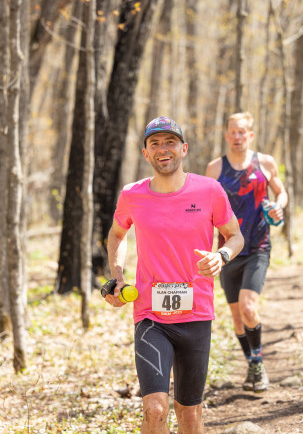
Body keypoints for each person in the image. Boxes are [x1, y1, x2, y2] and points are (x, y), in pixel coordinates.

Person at [105, 116, 244, 434]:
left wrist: (220, 256)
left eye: (169, 142)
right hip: (151, 317)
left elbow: (235, 236)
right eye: (154, 143)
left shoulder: (209, 190)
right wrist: (118, 275)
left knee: (189, 413)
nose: (162, 149)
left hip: (196, 314)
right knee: (155, 409)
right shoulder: (132, 195)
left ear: (183, 149)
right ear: (146, 154)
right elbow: (117, 234)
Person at [205, 112, 288, 393]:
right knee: (237, 318)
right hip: (227, 250)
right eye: (233, 132)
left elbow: (281, 191)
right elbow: (206, 211)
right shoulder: (215, 169)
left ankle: (259, 365)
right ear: (226, 135)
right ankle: (253, 363)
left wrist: (280, 206)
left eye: (243, 132)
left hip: (257, 247)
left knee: (248, 307)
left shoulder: (264, 163)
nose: (237, 137)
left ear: (250, 135)